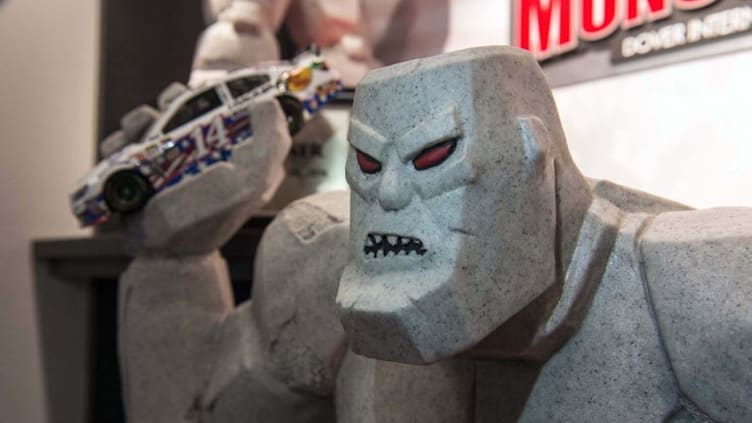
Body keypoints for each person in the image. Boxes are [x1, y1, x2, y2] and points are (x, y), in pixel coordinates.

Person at [119, 46, 752, 422]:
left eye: (432, 159)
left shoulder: (703, 287)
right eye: (367, 165)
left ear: (535, 161)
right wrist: (172, 254)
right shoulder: (330, 270)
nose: (388, 195)